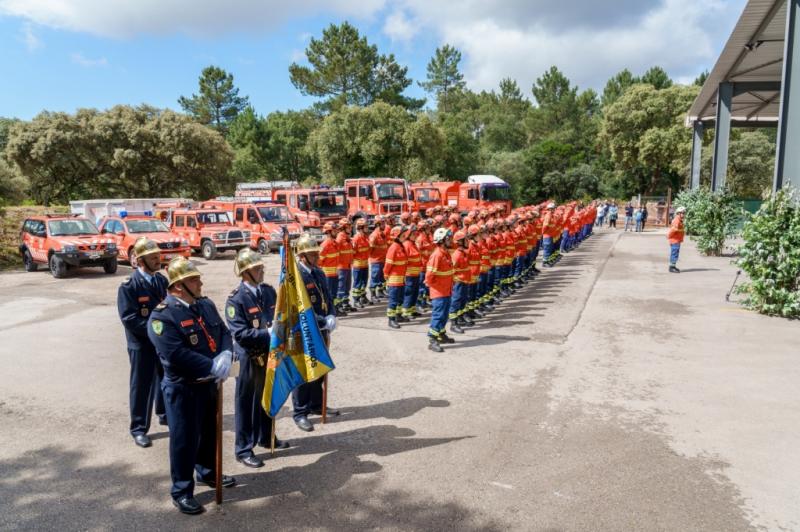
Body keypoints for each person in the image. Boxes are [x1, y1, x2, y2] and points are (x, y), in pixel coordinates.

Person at [147, 257, 236, 515]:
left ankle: (207, 472)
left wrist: (225, 354)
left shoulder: (204, 305)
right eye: (194, 279)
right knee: (184, 440)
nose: (200, 282)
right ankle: (182, 490)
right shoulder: (162, 316)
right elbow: (175, 354)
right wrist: (210, 365)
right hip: (183, 388)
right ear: (178, 286)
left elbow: (223, 333)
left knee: (209, 433)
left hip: (209, 385)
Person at [225, 249, 289, 469]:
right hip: (248, 358)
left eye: (261, 266)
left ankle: (266, 436)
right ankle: (243, 448)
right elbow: (240, 334)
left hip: (269, 355)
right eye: (257, 267)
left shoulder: (269, 292)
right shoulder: (236, 300)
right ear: (246, 272)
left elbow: (279, 315)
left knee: (268, 395)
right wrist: (267, 334)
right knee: (245, 403)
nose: (262, 269)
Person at [117, 237, 168, 449]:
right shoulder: (129, 286)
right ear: (140, 261)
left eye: (158, 256)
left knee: (165, 379)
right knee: (142, 385)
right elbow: (129, 318)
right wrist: (155, 332)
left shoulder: (161, 281)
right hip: (142, 343)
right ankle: (139, 428)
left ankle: (164, 414)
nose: (158, 260)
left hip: (162, 341)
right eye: (153, 258)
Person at [291, 234, 341, 432]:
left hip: (322, 329)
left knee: (319, 368)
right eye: (312, 254)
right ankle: (300, 412)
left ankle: (316, 405)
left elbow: (328, 298)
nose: (316, 257)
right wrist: (321, 320)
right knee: (303, 373)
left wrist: (332, 315)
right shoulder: (295, 277)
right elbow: (299, 308)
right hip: (304, 330)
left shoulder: (318, 272)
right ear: (302, 256)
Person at [425, 228, 456, 352]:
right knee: (438, 315)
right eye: (448, 238)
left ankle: (441, 334)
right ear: (442, 240)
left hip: (446, 290)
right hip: (439, 291)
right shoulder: (437, 255)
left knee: (444, 314)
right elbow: (429, 276)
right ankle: (432, 339)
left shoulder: (445, 253)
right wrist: (435, 287)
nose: (450, 240)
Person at [384, 226, 408, 329]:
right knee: (393, 300)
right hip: (394, 279)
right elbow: (388, 264)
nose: (405, 236)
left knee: (400, 298)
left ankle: (398, 315)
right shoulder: (393, 247)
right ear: (397, 236)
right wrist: (386, 275)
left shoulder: (401, 246)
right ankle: (391, 319)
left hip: (401, 278)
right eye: (403, 234)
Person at [449, 229, 472, 333]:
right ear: (460, 242)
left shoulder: (464, 253)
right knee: (456, 301)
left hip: (464, 281)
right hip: (458, 282)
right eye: (465, 240)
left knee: (463, 300)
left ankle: (460, 317)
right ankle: (453, 323)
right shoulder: (457, 255)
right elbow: (451, 270)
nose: (468, 241)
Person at [319, 222, 342, 315]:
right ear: (328, 232)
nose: (336, 232)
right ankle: (329, 312)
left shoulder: (335, 243)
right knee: (329, 294)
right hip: (328, 275)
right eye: (334, 230)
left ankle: (335, 309)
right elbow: (319, 262)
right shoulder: (325, 245)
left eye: (337, 230)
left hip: (335, 273)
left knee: (335, 294)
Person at [401, 224, 422, 319]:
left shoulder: (413, 244)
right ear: (408, 234)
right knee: (409, 293)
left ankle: (412, 310)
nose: (416, 235)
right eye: (413, 233)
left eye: (416, 233)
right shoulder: (406, 245)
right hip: (409, 275)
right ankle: (406, 312)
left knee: (415, 293)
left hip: (416, 274)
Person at [335, 218, 355, 313]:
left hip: (347, 266)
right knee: (341, 287)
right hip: (341, 267)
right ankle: (339, 306)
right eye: (348, 226)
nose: (350, 228)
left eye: (350, 226)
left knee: (347, 287)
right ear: (343, 227)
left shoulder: (346, 237)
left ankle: (345, 303)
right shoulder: (340, 238)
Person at [350, 219, 371, 308]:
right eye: (365, 226)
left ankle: (363, 297)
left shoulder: (365, 237)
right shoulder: (356, 238)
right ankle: (356, 300)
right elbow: (352, 253)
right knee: (357, 283)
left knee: (364, 282)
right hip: (358, 265)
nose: (367, 228)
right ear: (361, 228)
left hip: (365, 264)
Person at [368, 216, 388, 302]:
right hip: (376, 260)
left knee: (381, 278)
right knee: (375, 277)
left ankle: (380, 292)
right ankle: (373, 295)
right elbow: (370, 249)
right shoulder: (374, 235)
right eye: (383, 223)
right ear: (378, 224)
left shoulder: (382, 234)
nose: (385, 225)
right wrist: (374, 257)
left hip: (382, 259)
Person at [668, 206, 686, 273]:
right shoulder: (677, 220)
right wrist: (669, 236)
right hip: (675, 240)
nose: (684, 215)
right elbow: (673, 230)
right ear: (679, 213)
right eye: (683, 213)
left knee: (675, 253)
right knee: (674, 253)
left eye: (684, 213)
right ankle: (672, 267)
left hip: (677, 240)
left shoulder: (679, 220)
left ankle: (673, 266)